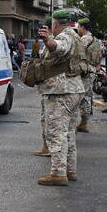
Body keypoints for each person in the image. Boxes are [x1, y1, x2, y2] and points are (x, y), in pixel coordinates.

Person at [35, 10, 86, 186]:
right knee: (69, 132)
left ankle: (58, 172)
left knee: (56, 132)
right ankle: (70, 170)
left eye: (52, 25)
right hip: (74, 89)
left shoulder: (65, 36)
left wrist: (48, 40)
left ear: (56, 24)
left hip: (61, 92)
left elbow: (59, 48)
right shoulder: (75, 35)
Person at [76, 18, 102, 132]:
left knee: (81, 97)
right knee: (86, 96)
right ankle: (83, 122)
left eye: (78, 27)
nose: (77, 29)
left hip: (85, 71)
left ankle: (83, 123)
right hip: (91, 70)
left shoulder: (85, 39)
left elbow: (77, 53)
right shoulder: (95, 39)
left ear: (82, 27)